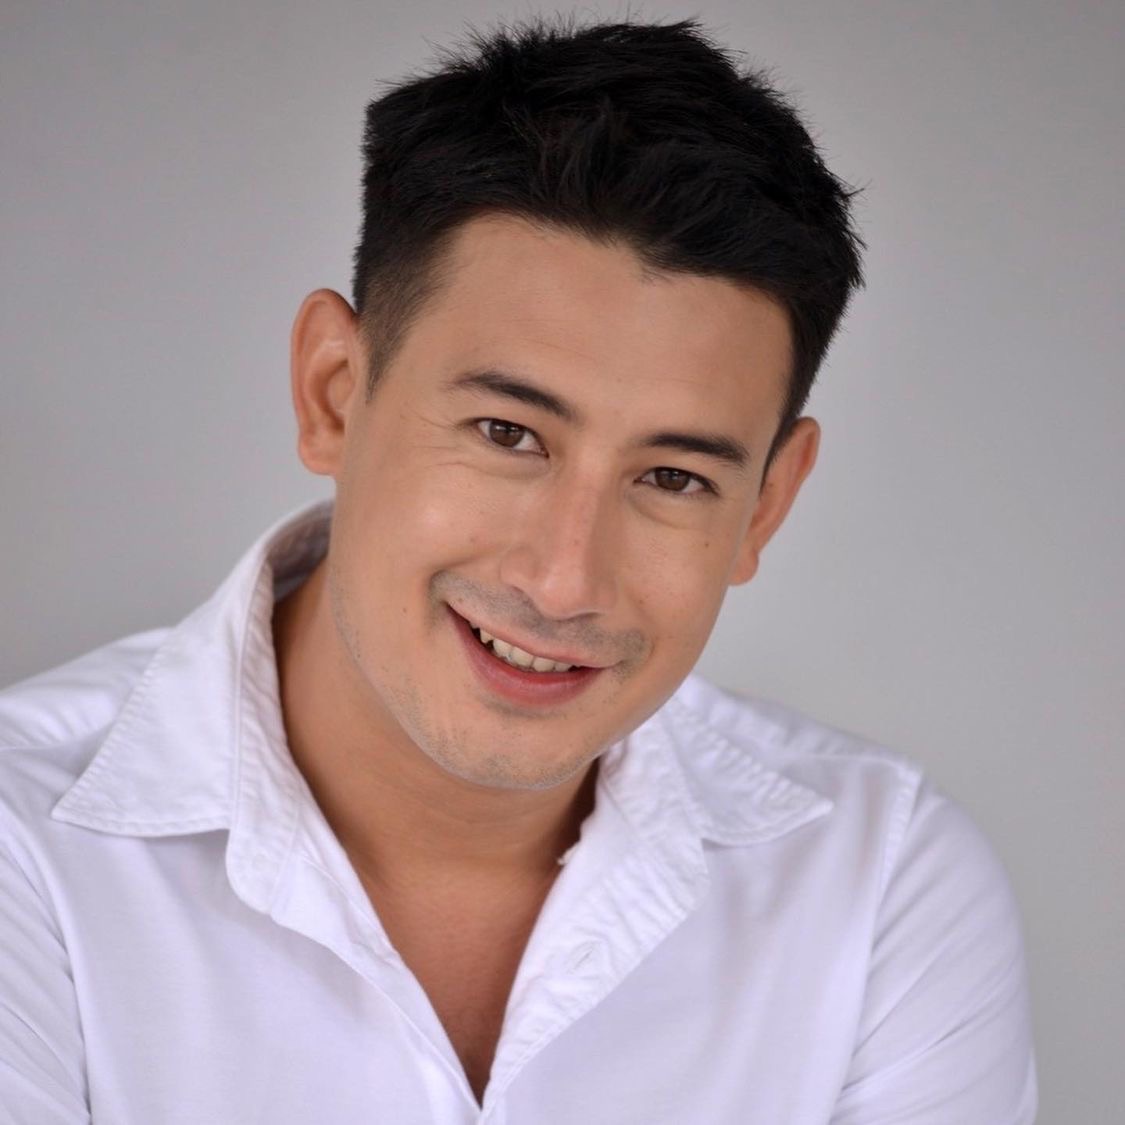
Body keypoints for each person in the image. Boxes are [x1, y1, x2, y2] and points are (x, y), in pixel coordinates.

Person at [0, 17, 1037, 1124]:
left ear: (766, 505)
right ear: (334, 394)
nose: (563, 580)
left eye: (674, 478)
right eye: (508, 434)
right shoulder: (26, 849)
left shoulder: (881, 887)